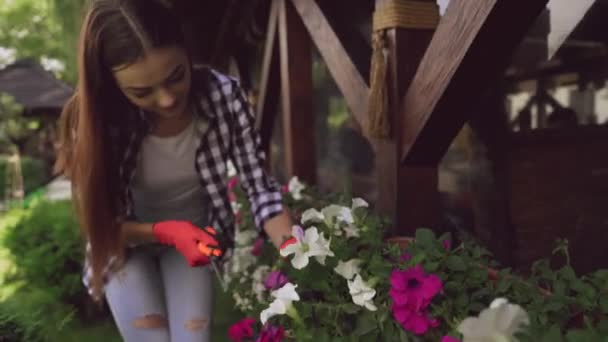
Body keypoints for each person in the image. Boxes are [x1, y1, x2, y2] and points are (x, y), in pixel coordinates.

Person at [54, 0, 294, 340]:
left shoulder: (223, 96)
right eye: (142, 91)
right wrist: (167, 231)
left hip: (192, 244)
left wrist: (300, 257)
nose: (166, 99)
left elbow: (260, 190)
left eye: (175, 76)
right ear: (112, 84)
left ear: (186, 48)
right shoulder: (94, 123)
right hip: (123, 248)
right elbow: (101, 225)